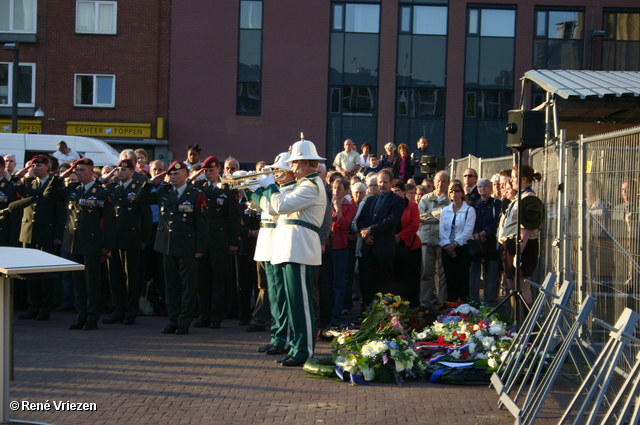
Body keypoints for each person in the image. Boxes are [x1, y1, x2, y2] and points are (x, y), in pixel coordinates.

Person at [255, 138, 327, 367]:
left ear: (306, 162)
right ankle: (296, 347)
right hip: (289, 248)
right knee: (294, 303)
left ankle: (304, 350)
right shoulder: (302, 184)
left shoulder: (311, 185)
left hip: (301, 248)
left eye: (295, 162)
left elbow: (280, 206)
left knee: (301, 304)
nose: (292, 167)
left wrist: (267, 186)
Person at [46, 158, 116, 330]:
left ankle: (92, 317)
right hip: (73, 242)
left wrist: (107, 245)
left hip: (91, 243)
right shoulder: (72, 188)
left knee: (91, 282)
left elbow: (110, 221)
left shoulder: (100, 192)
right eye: (77, 170)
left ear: (91, 172)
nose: (78, 173)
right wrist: (64, 174)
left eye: (82, 170)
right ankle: (81, 315)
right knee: (78, 282)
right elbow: (49, 193)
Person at [150, 161, 209, 334]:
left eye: (177, 174)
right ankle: (173, 320)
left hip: (187, 246)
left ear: (186, 174)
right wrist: (151, 182)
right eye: (171, 174)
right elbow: (141, 198)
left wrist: (200, 248)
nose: (173, 177)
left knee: (187, 287)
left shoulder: (196, 194)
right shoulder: (164, 191)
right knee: (171, 286)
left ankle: (184, 322)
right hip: (167, 245)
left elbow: (202, 224)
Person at [252, 153, 297, 351]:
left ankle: (283, 337)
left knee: (281, 295)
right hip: (268, 242)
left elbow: (273, 209)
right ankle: (277, 336)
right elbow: (258, 206)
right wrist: (252, 189)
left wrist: (265, 188)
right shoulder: (277, 190)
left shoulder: (290, 190)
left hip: (280, 244)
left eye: (279, 169)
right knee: (273, 293)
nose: (276, 173)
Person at [11, 155, 62, 320]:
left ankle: (45, 308)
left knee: (45, 274)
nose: (36, 168)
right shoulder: (28, 183)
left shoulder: (54, 183)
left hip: (46, 234)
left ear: (48, 167)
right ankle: (33, 306)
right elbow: (13, 182)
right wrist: (25, 170)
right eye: (34, 165)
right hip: (28, 232)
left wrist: (57, 235)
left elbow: (59, 213)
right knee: (30, 274)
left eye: (39, 166)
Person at [103, 158, 153, 325]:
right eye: (119, 169)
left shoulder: (138, 189)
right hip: (113, 239)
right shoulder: (111, 188)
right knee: (114, 277)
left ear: (132, 172)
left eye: (125, 170)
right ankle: (117, 310)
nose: (120, 172)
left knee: (131, 277)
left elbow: (146, 217)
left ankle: (130, 312)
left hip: (131, 239)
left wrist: (145, 239)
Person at [192, 156, 240, 329]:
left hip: (219, 240)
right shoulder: (199, 188)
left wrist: (233, 241)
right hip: (202, 241)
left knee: (218, 280)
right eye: (205, 170)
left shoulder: (227, 190)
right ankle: (204, 314)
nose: (208, 173)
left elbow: (234, 218)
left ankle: (216, 316)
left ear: (219, 169)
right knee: (203, 280)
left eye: (211, 170)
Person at [356, 169, 405, 308]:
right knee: (367, 282)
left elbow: (391, 221)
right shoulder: (370, 199)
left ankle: (386, 313)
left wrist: (371, 230)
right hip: (368, 249)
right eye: (380, 182)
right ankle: (366, 311)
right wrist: (364, 234)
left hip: (384, 249)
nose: (382, 185)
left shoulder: (398, 201)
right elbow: (361, 220)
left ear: (391, 183)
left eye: (385, 182)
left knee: (385, 283)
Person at [497, 165, 543, 305]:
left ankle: (526, 320)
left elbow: (526, 230)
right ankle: (514, 319)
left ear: (523, 179)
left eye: (514, 177)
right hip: (511, 244)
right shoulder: (518, 198)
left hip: (524, 246)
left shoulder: (529, 199)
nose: (511, 180)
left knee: (522, 285)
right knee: (511, 284)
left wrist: (518, 253)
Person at [418, 170, 450, 309]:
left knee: (443, 275)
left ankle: (442, 303)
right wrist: (440, 214)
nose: (440, 183)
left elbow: (449, 218)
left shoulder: (451, 199)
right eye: (438, 180)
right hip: (427, 239)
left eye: (443, 181)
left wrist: (430, 213)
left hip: (443, 240)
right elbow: (420, 215)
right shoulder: (425, 198)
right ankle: (426, 302)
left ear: (448, 183)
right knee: (426, 273)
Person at [439, 181, 476, 302]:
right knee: (449, 278)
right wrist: (448, 246)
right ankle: (450, 304)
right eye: (451, 191)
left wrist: (455, 244)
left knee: (462, 278)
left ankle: (462, 305)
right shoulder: (445, 210)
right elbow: (442, 230)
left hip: (462, 248)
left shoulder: (469, 210)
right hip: (446, 247)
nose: (454, 193)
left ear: (462, 193)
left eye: (456, 191)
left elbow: (468, 231)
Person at [469, 178, 501, 304]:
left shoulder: (496, 203)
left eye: (486, 186)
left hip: (490, 242)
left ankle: (490, 301)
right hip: (475, 243)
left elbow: (497, 221)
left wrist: (485, 232)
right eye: (480, 187)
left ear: (491, 188)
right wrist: (475, 235)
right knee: (474, 273)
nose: (483, 189)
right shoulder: (473, 205)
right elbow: (469, 222)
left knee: (491, 273)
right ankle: (474, 302)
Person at [391, 179, 422, 306]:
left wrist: (400, 236)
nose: (395, 193)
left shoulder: (412, 206)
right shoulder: (389, 207)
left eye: (397, 191)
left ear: (404, 192)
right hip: (393, 248)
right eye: (392, 191)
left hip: (411, 247)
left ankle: (412, 306)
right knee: (396, 279)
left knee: (411, 279)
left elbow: (414, 225)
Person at [330, 177, 356, 322]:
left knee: (339, 283)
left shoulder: (349, 207)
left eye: (340, 189)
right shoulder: (327, 204)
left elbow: (345, 225)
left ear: (346, 191)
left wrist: (338, 209)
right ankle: (327, 313)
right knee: (327, 282)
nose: (336, 191)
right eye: (334, 188)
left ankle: (336, 315)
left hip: (341, 247)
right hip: (327, 247)